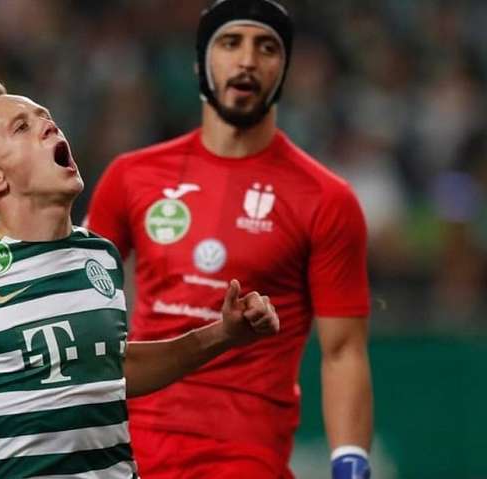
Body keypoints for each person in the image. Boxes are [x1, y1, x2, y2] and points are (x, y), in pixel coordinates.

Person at [0, 80, 280, 479]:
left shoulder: (100, 256)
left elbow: (110, 370)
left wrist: (223, 334)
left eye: (47, 119)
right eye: (21, 127)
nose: (49, 127)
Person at [85, 1, 373, 478]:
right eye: (230, 43)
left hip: (243, 456)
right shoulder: (130, 177)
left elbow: (343, 351)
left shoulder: (326, 199)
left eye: (267, 48)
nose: (247, 60)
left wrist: (351, 462)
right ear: (201, 64)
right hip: (128, 450)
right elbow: (76, 303)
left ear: (284, 70)